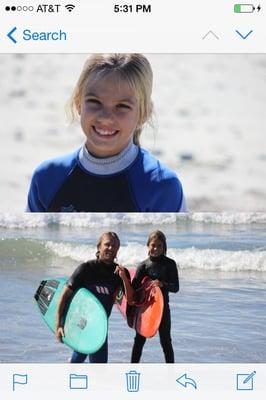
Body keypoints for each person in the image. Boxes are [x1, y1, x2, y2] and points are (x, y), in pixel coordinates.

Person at [26, 53, 187, 212]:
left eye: (122, 106)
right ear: (78, 103)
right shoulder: (47, 178)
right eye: (95, 102)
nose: (106, 118)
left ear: (143, 113)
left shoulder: (162, 186)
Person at [56, 231, 133, 363]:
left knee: (99, 368)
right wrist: (59, 324)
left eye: (114, 246)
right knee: (78, 360)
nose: (110, 248)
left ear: (118, 250)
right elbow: (65, 295)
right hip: (83, 323)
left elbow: (130, 300)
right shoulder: (86, 269)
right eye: (107, 244)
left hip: (100, 327)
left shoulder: (120, 273)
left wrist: (124, 279)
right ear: (99, 247)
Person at [130, 230, 179, 363]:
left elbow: (176, 287)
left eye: (159, 245)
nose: (156, 248)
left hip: (163, 310)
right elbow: (133, 289)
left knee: (166, 341)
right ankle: (132, 369)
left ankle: (171, 371)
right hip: (145, 310)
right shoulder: (143, 266)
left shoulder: (170, 264)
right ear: (148, 246)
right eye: (153, 245)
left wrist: (162, 284)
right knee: (139, 340)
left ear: (164, 247)